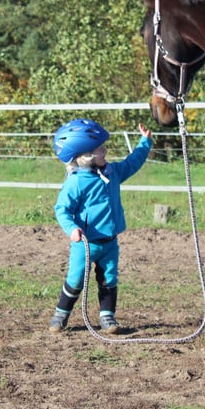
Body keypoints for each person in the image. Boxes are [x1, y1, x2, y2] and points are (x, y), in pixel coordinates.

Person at [49, 118, 152, 334]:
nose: (105, 151)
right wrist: (72, 229)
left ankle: (108, 317)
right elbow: (62, 209)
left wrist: (145, 142)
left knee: (109, 278)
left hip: (110, 242)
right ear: (86, 156)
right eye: (100, 149)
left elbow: (132, 163)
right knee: (75, 279)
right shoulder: (76, 182)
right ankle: (61, 314)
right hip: (86, 244)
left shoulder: (112, 172)